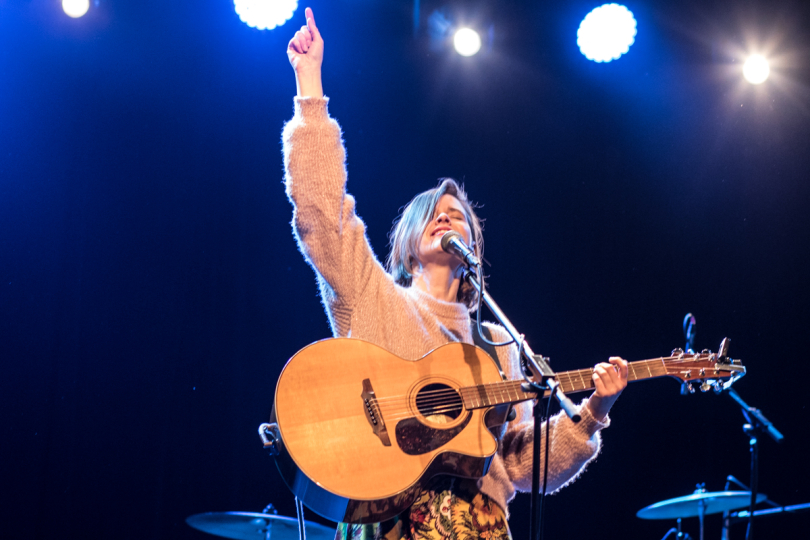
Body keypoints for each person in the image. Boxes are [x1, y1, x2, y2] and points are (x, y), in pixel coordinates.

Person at [282, 8, 628, 540]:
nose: (446, 215)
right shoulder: (375, 299)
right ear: (408, 241)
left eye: (457, 213)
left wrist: (595, 409)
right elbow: (323, 216)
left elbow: (522, 464)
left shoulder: (498, 344)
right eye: (432, 212)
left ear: (472, 244)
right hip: (390, 519)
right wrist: (310, 88)